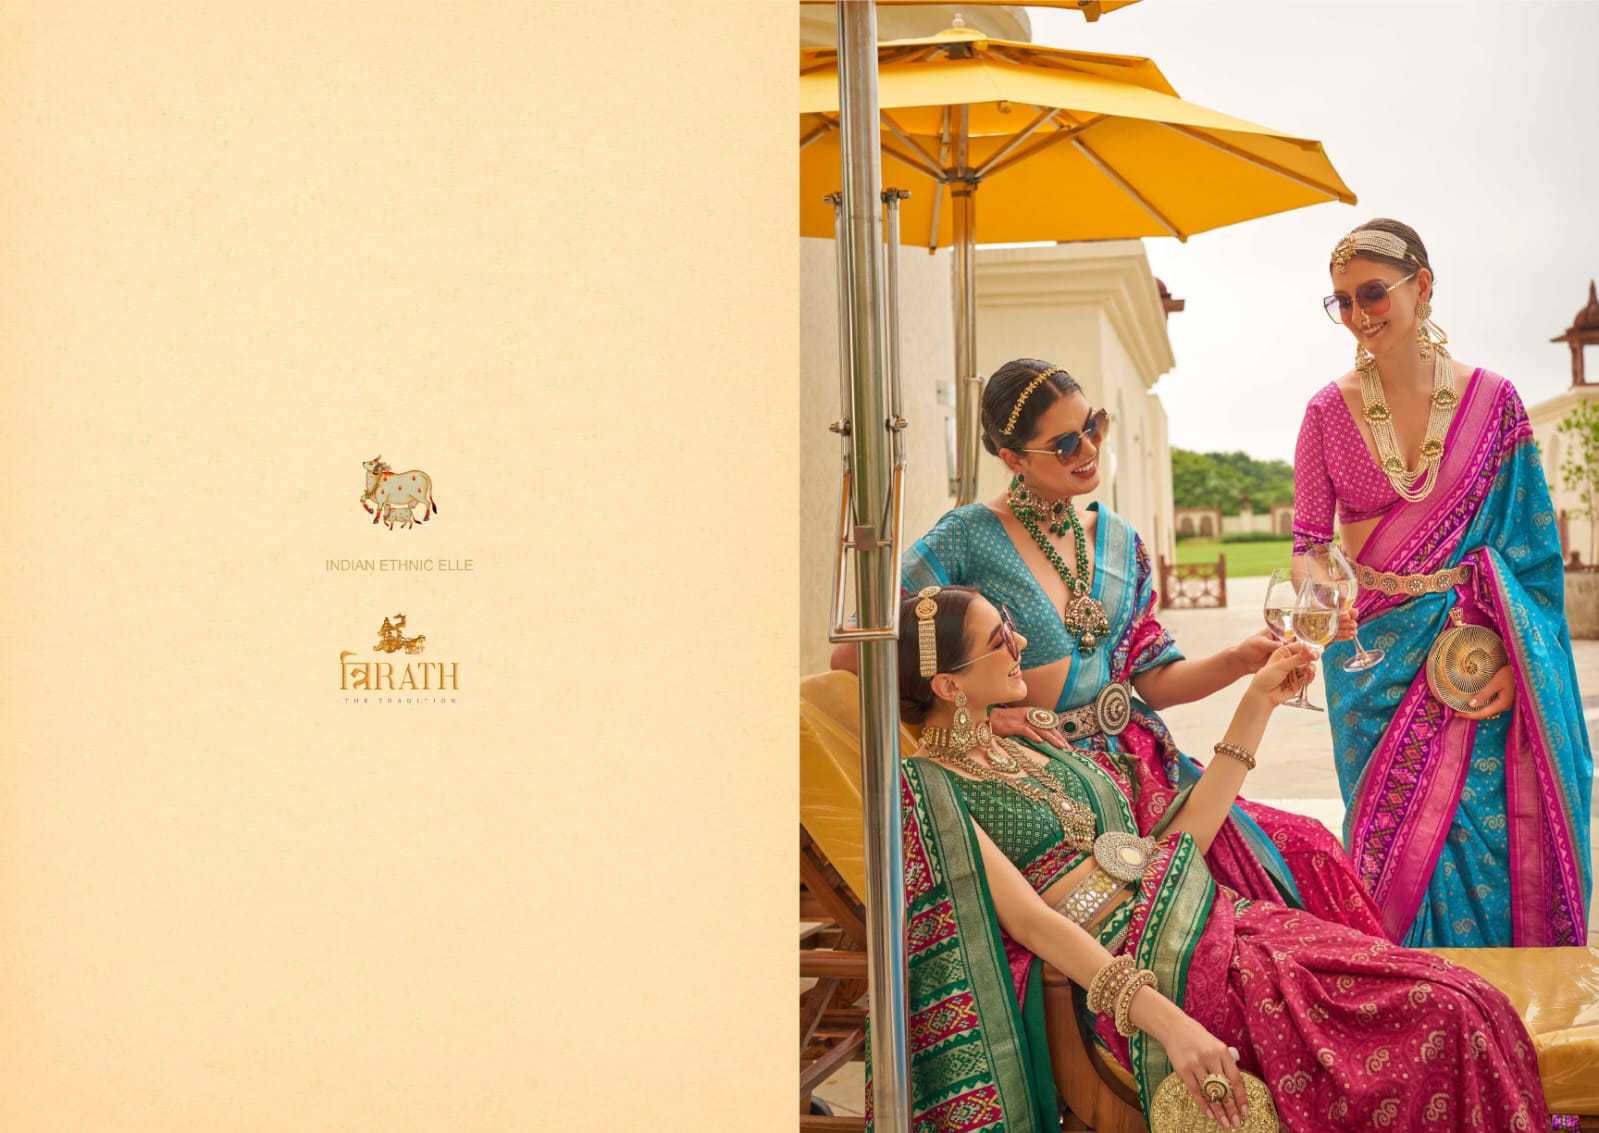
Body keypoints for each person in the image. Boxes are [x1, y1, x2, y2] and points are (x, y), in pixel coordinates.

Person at [883, 585, 1547, 1132]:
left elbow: (1171, 848)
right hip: (1152, 975)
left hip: (1212, 921)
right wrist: (1170, 1024)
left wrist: (1258, 700)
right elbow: (1033, 923)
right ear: (947, 683)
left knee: (1469, 997)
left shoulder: (1031, 742)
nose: (1021, 642)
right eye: (998, 638)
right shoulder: (929, 790)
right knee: (1446, 1015)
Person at [839, 357, 1386, 935]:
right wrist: (983, 721)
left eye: (1093, 426)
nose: (1088, 449)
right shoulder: (968, 537)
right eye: (1064, 443)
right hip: (1055, 792)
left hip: (1145, 770)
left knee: (1307, 849)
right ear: (1013, 458)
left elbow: (1153, 683)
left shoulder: (1120, 541)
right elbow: (855, 654)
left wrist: (1238, 660)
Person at [1293, 218, 1592, 947]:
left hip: (1474, 656)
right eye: (1341, 301)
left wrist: (1519, 661)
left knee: (1490, 842)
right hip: (1371, 662)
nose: (1359, 315)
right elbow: (1308, 545)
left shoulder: (1494, 402)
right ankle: (1407, 1003)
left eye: (1372, 293)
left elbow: (1531, 551)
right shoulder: (1325, 411)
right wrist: (1321, 599)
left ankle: (1500, 1001)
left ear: (1421, 286)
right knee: (1386, 852)